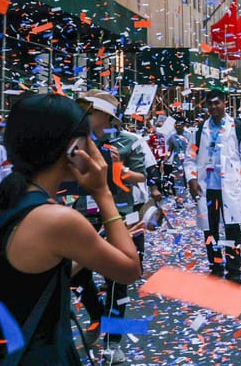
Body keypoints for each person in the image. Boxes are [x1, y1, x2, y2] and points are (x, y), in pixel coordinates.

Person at [0, 93, 141, 364]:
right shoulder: (58, 220)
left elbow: (27, 275)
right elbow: (130, 269)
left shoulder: (0, 199)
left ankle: (109, 334)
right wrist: (103, 192)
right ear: (73, 148)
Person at [70, 90, 150, 362]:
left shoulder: (128, 141)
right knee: (76, 274)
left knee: (116, 281)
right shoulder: (73, 142)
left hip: (119, 215)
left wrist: (119, 171)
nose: (88, 116)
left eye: (93, 112)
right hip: (80, 214)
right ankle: (96, 315)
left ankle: (113, 342)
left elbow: (142, 176)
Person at [185, 88, 241, 284]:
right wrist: (191, 179)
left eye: (217, 103)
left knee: (232, 228)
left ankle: (234, 270)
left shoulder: (237, 127)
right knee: (210, 230)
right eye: (210, 104)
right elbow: (189, 159)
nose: (214, 107)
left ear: (225, 103)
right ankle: (216, 266)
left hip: (231, 187)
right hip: (207, 188)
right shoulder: (199, 130)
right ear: (206, 106)